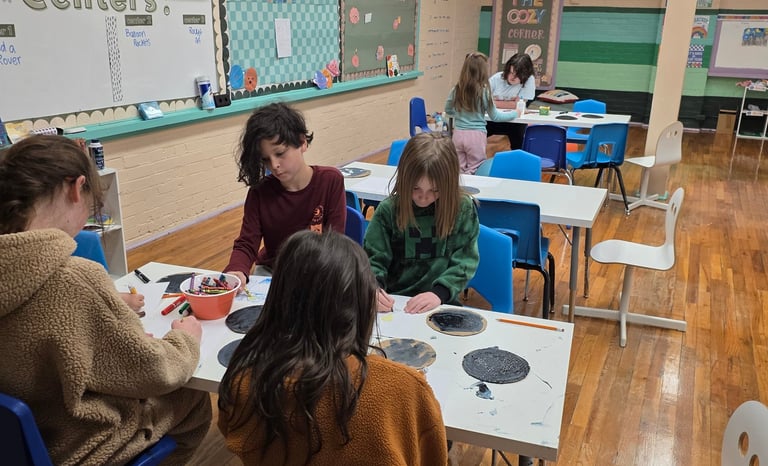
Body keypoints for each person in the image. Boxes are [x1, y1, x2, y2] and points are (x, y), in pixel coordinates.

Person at [0, 135, 211, 465]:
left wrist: (105, 311)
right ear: (76, 188)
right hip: (79, 446)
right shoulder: (75, 279)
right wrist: (185, 339)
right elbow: (155, 371)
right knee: (193, 399)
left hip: (18, 445)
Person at [218, 230, 448, 465]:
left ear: (278, 299)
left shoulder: (243, 380)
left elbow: (230, 429)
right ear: (361, 305)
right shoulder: (404, 389)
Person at [224, 102, 346, 287]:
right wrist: (236, 270)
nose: (274, 165)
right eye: (266, 159)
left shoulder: (330, 181)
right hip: (272, 272)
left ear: (302, 142)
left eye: (280, 153)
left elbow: (334, 242)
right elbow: (247, 243)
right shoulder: (259, 192)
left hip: (318, 271)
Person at [363, 132, 480, 314]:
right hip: (394, 303)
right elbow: (373, 259)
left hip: (441, 302)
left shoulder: (462, 208)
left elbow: (465, 260)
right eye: (415, 187)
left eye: (435, 190)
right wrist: (374, 288)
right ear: (404, 179)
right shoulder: (389, 210)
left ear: (448, 185)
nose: (423, 197)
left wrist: (439, 293)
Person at [445, 51, 518, 174]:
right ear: (483, 71)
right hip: (476, 135)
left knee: (458, 169)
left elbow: (448, 109)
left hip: (458, 134)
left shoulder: (456, 89)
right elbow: (495, 116)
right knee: (475, 168)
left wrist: (460, 114)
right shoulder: (484, 92)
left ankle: (460, 187)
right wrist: (515, 113)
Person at [487, 53, 537, 151]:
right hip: (493, 118)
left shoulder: (529, 80)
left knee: (518, 143)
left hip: (515, 121)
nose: (512, 77)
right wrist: (512, 103)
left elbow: (519, 105)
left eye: (518, 75)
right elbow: (484, 101)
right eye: (511, 73)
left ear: (525, 75)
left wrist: (495, 102)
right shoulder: (496, 78)